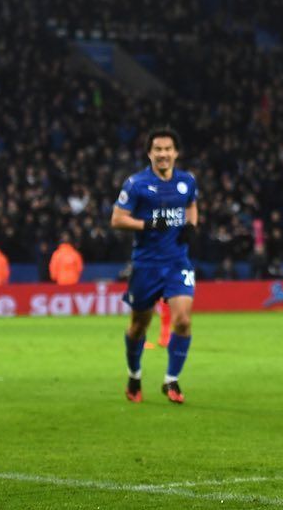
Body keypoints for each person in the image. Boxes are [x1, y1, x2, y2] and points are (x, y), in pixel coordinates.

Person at [111, 127, 199, 405]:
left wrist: (191, 226)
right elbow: (117, 219)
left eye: (167, 149)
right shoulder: (136, 184)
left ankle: (171, 380)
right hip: (146, 264)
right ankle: (134, 375)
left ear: (176, 153)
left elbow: (191, 205)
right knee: (139, 326)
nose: (163, 154)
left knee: (183, 321)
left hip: (177, 261)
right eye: (157, 149)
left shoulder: (187, 181)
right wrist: (147, 224)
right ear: (150, 153)